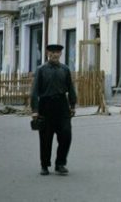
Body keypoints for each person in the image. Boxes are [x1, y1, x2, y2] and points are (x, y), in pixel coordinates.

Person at [31, 44, 77, 176]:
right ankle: (44, 165)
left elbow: (71, 88)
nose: (54, 54)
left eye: (57, 52)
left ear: (60, 54)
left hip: (62, 105)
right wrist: (34, 109)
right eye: (52, 52)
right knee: (46, 138)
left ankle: (60, 163)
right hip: (45, 105)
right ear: (47, 54)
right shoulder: (41, 69)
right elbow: (34, 91)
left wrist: (72, 105)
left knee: (66, 135)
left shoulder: (65, 69)